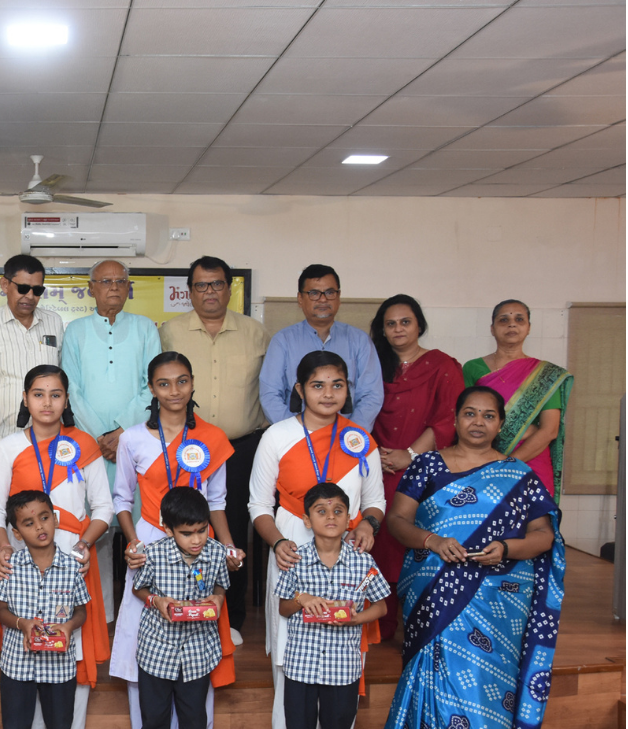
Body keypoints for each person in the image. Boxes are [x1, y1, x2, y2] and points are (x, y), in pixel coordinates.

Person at [366, 386, 564, 729]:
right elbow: (398, 521)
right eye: (470, 413)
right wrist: (432, 541)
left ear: (500, 423)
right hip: (433, 587)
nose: (478, 422)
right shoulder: (426, 466)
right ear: (455, 419)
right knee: (435, 670)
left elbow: (544, 536)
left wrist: (506, 549)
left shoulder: (518, 474)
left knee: (485, 681)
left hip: (498, 596)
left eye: (488, 415)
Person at [249, 351, 384, 729]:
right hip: (291, 549)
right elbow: (258, 504)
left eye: (337, 385)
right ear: (300, 389)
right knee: (289, 664)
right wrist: (277, 543)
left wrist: (368, 524)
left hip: (347, 555)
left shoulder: (360, 439)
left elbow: (376, 500)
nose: (328, 394)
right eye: (318, 385)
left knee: (343, 663)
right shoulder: (278, 435)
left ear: (348, 390)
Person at [110, 352, 240, 729]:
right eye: (164, 384)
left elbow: (217, 501)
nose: (174, 391)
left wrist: (228, 548)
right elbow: (121, 499)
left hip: (199, 544)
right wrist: (134, 544)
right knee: (143, 650)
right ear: (151, 388)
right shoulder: (133, 438)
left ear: (193, 383)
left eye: (182, 381)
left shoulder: (213, 437)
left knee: (197, 646)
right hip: (151, 540)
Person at [0, 365, 112, 729]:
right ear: (25, 399)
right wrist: (4, 548)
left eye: (56, 394)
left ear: (66, 399)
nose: (47, 402)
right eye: (38, 394)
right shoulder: (8, 447)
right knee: (27, 665)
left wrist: (83, 547)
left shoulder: (83, 444)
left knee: (68, 662)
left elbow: (103, 508)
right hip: (23, 564)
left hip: (73, 563)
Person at [159, 256, 270, 643]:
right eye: (201, 285)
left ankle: (231, 618)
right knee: (181, 527)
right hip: (185, 447)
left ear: (229, 287)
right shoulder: (170, 332)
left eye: (218, 284)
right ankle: (180, 605)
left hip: (241, 448)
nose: (210, 292)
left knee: (232, 529)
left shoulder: (255, 332)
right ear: (189, 291)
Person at [275, 482, 390, 729]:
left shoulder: (362, 562)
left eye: (338, 511)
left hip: (343, 669)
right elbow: (283, 607)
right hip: (302, 666)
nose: (330, 517)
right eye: (321, 511)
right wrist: (303, 599)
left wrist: (356, 618)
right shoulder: (296, 560)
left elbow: (381, 606)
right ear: (307, 520)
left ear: (349, 519)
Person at [62, 259, 162, 619]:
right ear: (91, 288)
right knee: (96, 527)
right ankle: (100, 614)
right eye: (106, 281)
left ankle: (145, 610)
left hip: (136, 443)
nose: (114, 287)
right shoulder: (76, 330)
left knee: (140, 526)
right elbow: (70, 388)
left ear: (129, 288)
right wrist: (100, 438)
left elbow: (153, 385)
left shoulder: (145, 327)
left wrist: (122, 432)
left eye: (121, 281)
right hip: (90, 446)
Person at [367, 295, 463, 640]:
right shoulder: (373, 366)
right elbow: (358, 411)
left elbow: (448, 418)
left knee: (417, 537)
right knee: (379, 541)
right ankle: (380, 624)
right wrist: (373, 453)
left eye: (405, 322)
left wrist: (410, 454)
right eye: (390, 324)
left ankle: (420, 624)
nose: (398, 329)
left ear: (419, 325)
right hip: (376, 466)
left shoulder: (443, 366)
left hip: (424, 470)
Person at [132, 486, 228, 729]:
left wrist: (218, 598)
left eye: (202, 530)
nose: (196, 539)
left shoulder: (216, 553)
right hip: (157, 652)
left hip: (198, 653)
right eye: (187, 533)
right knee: (153, 724)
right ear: (168, 528)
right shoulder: (154, 553)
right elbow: (139, 587)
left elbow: (220, 585)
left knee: (194, 725)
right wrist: (156, 601)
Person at [0, 490, 89, 729]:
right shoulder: (11, 567)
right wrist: (22, 624)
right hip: (17, 665)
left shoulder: (72, 567)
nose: (40, 527)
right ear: (17, 533)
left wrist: (69, 626)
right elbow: (1, 610)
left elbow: (81, 610)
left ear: (55, 519)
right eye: (29, 523)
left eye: (44, 518)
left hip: (59, 667)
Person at [463, 299, 573, 501]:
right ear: (492, 329)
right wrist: (526, 429)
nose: (512, 324)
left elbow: (550, 430)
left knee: (534, 517)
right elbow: (465, 417)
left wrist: (507, 464)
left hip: (532, 457)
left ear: (528, 328)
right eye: (503, 320)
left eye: (519, 319)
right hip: (484, 457)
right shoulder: (473, 368)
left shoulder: (545, 375)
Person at [259, 264, 384, 431]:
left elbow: (371, 395)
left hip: (345, 436)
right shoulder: (283, 341)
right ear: (300, 299)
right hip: (296, 437)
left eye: (330, 292)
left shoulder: (360, 340)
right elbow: (270, 395)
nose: (323, 299)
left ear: (338, 297)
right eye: (314, 293)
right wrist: (297, 433)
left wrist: (349, 434)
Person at [0, 254, 65, 450]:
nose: (30, 296)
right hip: (2, 441)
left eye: (37, 290)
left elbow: (62, 384)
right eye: (23, 288)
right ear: (4, 285)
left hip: (49, 443)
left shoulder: (54, 322)